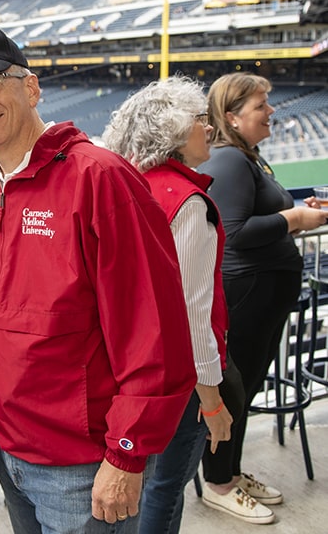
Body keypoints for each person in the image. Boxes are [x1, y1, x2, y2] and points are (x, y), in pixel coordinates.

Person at [0, 27, 196, 533]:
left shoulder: (101, 178)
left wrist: (126, 455)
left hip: (83, 466)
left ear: (30, 88)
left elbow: (155, 332)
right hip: (8, 451)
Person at [102, 76, 241, 530]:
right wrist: (213, 401)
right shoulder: (185, 201)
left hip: (125, 371)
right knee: (164, 489)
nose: (210, 129)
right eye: (201, 120)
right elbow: (188, 317)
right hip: (173, 383)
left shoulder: (126, 185)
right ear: (176, 132)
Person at [195, 72, 328, 523]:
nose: (271, 112)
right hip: (247, 292)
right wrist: (295, 218)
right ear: (232, 117)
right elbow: (232, 232)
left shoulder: (245, 157)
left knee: (246, 387)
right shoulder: (230, 160)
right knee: (233, 391)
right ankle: (218, 482)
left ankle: (230, 470)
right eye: (260, 105)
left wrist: (297, 212)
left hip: (262, 294)